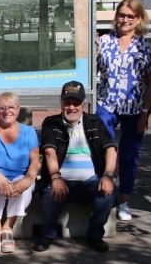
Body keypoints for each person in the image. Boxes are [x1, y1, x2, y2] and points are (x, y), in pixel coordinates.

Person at [33, 81, 117, 253]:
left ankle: (95, 235)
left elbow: (110, 149)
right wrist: (56, 177)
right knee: (51, 191)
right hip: (62, 178)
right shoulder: (51, 123)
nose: (71, 107)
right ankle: (47, 234)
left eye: (76, 103)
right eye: (67, 102)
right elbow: (49, 152)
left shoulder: (95, 122)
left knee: (108, 192)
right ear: (61, 103)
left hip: (91, 180)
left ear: (83, 104)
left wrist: (108, 175)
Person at [96, 0, 151, 221]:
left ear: (139, 19)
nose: (125, 20)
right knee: (103, 150)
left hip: (134, 107)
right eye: (122, 15)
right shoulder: (104, 42)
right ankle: (103, 194)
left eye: (130, 16)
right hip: (106, 104)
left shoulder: (145, 46)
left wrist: (146, 113)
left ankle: (124, 202)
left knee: (129, 156)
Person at [0, 92, 40, 253]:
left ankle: (8, 227)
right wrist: (0, 179)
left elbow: (35, 161)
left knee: (24, 186)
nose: (7, 111)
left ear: (18, 109)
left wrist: (28, 179)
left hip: (19, 174)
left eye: (11, 107)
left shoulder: (28, 131)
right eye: (2, 108)